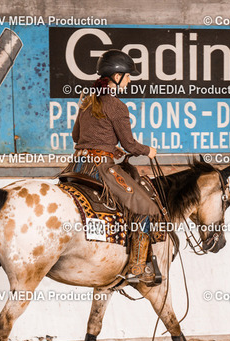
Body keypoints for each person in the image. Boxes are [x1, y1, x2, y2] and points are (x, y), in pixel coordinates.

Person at [62, 49, 161, 286]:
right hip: (100, 168)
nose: (130, 81)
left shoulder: (87, 101)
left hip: (76, 166)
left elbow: (76, 136)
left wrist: (108, 146)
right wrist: (148, 150)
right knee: (146, 207)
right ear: (117, 77)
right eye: (128, 76)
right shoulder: (117, 106)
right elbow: (129, 144)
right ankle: (137, 267)